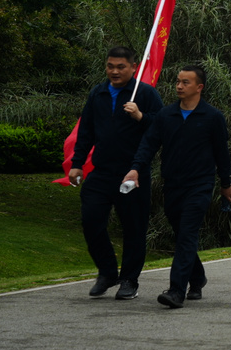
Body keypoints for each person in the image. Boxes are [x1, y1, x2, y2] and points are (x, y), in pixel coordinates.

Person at [123, 65, 231, 309]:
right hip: (172, 185)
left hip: (200, 185)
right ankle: (197, 277)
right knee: (181, 233)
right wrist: (135, 168)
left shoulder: (212, 117)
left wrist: (225, 184)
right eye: (178, 81)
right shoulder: (166, 115)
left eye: (185, 82)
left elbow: (221, 154)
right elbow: (148, 144)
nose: (179, 86)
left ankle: (176, 291)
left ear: (199, 87)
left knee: (187, 233)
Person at [68, 46, 164, 300]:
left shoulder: (145, 93)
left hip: (134, 173)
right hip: (101, 171)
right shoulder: (98, 93)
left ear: (134, 67)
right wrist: (77, 163)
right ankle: (108, 271)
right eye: (110, 66)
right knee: (91, 220)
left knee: (134, 228)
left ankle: (129, 280)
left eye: (121, 66)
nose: (114, 71)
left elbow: (163, 127)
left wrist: (141, 116)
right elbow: (86, 130)